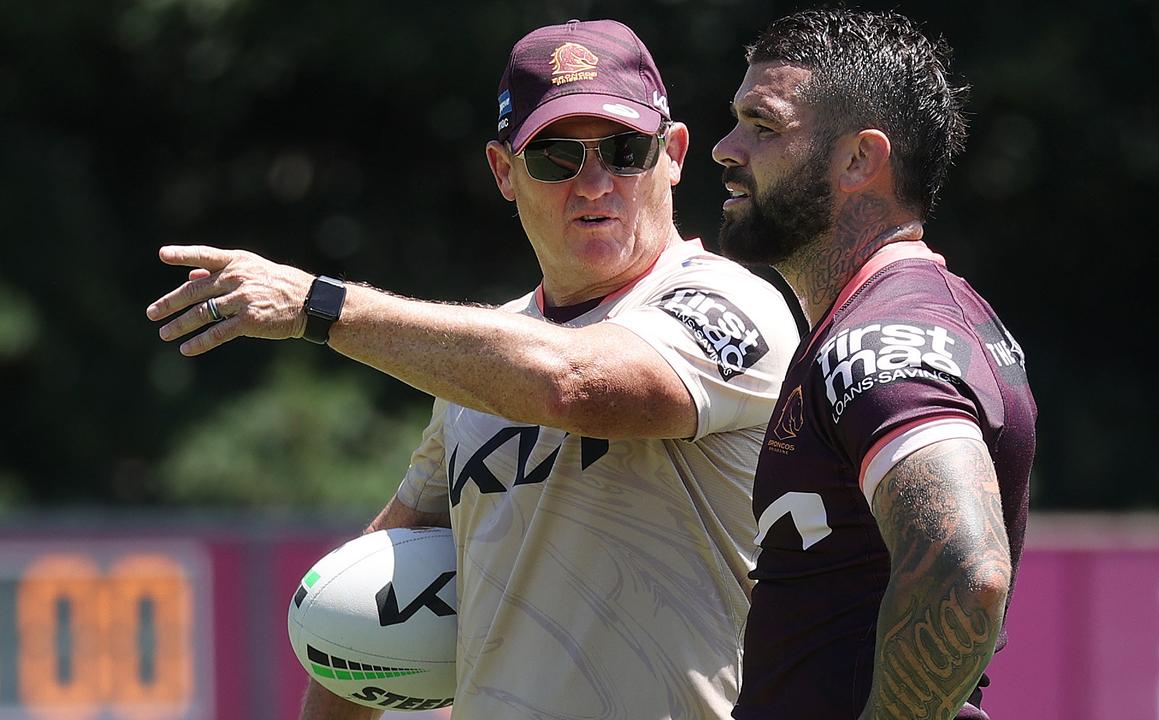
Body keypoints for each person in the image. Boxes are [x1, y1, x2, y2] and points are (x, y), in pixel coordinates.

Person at [146, 18, 800, 720]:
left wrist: (320, 305)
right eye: (554, 156)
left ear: (671, 154)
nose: (595, 183)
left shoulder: (731, 301)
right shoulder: (484, 362)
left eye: (625, 150)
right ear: (503, 172)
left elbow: (573, 385)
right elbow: (362, 610)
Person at [711, 9, 1037, 720]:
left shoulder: (886, 333)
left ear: (859, 159)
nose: (724, 148)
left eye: (762, 126)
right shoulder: (890, 317)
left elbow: (965, 571)